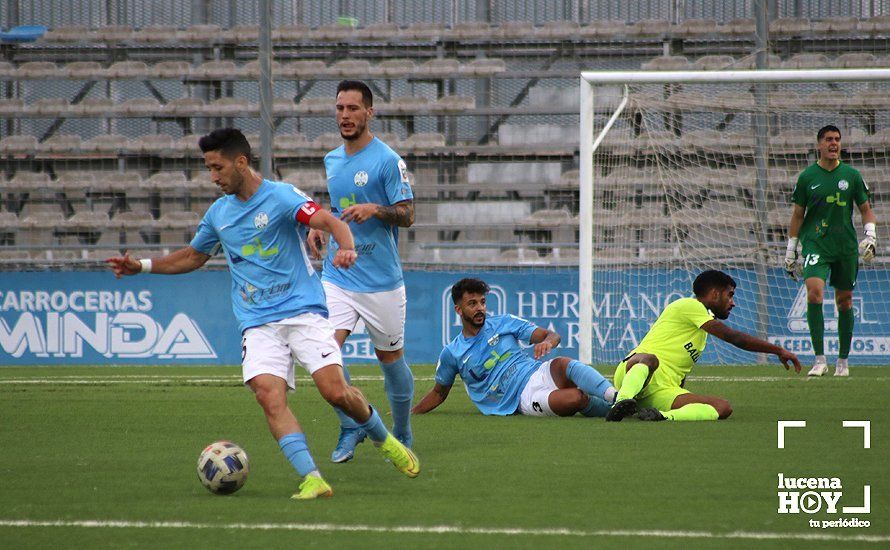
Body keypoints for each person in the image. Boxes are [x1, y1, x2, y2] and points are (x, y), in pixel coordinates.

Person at [105, 128, 419, 500]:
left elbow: (331, 222)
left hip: (303, 312)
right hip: (257, 323)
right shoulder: (219, 214)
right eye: (208, 169)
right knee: (269, 397)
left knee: (335, 393)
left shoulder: (282, 196)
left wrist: (345, 248)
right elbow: (192, 256)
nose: (213, 177)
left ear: (241, 162)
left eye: (217, 167)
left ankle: (384, 439)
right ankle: (312, 478)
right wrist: (141, 265)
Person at [306, 80, 416, 463]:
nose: (345, 115)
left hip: (381, 282)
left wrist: (375, 210)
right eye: (340, 108)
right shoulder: (332, 160)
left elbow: (408, 215)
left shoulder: (388, 161)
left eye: (353, 108)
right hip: (338, 275)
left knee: (391, 361)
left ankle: (401, 432)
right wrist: (320, 227)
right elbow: (338, 210)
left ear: (369, 112)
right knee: (324, 356)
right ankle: (351, 425)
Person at [607, 270, 802, 422]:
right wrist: (778, 350)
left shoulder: (700, 333)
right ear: (715, 294)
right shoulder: (689, 305)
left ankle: (662, 416)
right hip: (635, 375)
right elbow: (735, 338)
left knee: (722, 407)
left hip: (660, 392)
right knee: (650, 358)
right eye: (730, 295)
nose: (732, 303)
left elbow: (679, 374)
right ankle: (622, 400)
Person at [411, 278, 617, 418]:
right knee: (576, 398)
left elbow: (552, 335)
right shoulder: (452, 352)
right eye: (472, 304)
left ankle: (617, 398)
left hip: (537, 372)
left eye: (482, 302)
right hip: (521, 398)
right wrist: (412, 411)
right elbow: (439, 393)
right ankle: (614, 409)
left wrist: (547, 342)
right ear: (458, 309)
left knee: (563, 363)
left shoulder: (504, 323)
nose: (480, 308)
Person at [784, 124, 878, 377]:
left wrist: (871, 235)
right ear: (819, 144)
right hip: (816, 244)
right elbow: (797, 214)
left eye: (837, 139)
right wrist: (791, 249)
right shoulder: (807, 177)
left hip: (845, 246)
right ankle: (819, 360)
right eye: (828, 139)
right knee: (814, 293)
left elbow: (865, 208)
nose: (833, 143)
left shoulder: (852, 175)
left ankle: (843, 363)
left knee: (844, 300)